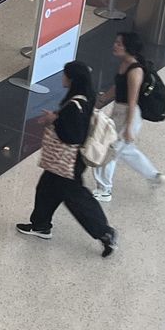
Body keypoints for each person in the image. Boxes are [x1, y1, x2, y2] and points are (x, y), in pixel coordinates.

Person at [17, 60, 118, 256]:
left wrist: (54, 120)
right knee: (46, 188)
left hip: (67, 161)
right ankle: (41, 225)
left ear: (72, 79)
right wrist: (57, 117)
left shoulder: (74, 104)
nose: (62, 78)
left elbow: (71, 135)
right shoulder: (85, 97)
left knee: (76, 199)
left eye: (65, 75)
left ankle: (105, 233)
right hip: (68, 161)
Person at [92, 32, 165, 199]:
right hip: (119, 110)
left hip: (129, 114)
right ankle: (154, 176)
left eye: (119, 43)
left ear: (129, 47)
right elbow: (118, 87)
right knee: (125, 150)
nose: (115, 45)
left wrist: (129, 128)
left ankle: (104, 189)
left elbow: (133, 101)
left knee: (108, 150)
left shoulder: (135, 70)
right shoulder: (124, 65)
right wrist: (101, 101)